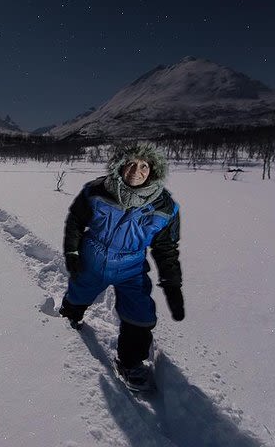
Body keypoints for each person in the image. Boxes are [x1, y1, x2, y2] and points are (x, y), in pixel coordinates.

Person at [59, 143, 184, 390]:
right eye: (131, 164)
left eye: (144, 166)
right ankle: (69, 322)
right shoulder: (96, 191)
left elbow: (166, 249)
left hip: (131, 267)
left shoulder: (165, 208)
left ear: (153, 171)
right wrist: (72, 251)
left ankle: (130, 362)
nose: (136, 171)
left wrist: (172, 284)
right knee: (77, 295)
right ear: (120, 166)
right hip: (92, 260)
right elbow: (75, 221)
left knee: (140, 313)